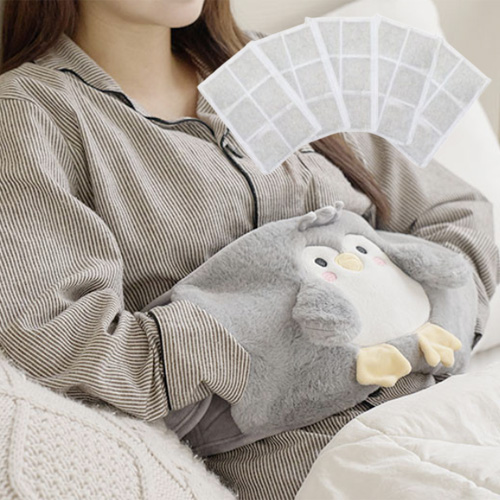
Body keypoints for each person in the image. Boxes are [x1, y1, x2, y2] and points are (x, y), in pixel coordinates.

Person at [0, 0, 498, 498]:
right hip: (328, 460)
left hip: (458, 412)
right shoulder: (28, 114)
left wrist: (423, 318)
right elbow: (63, 343)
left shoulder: (277, 67)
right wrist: (285, 339)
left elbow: (456, 213)